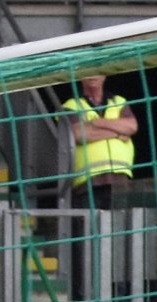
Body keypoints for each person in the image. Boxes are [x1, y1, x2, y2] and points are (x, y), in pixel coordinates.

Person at [60, 74, 137, 207]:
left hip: (120, 178)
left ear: (104, 76)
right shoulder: (71, 106)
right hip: (88, 182)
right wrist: (117, 133)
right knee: (92, 227)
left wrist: (97, 122)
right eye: (88, 70)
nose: (93, 74)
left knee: (119, 226)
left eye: (97, 69)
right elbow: (79, 134)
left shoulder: (119, 101)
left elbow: (131, 126)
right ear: (79, 77)